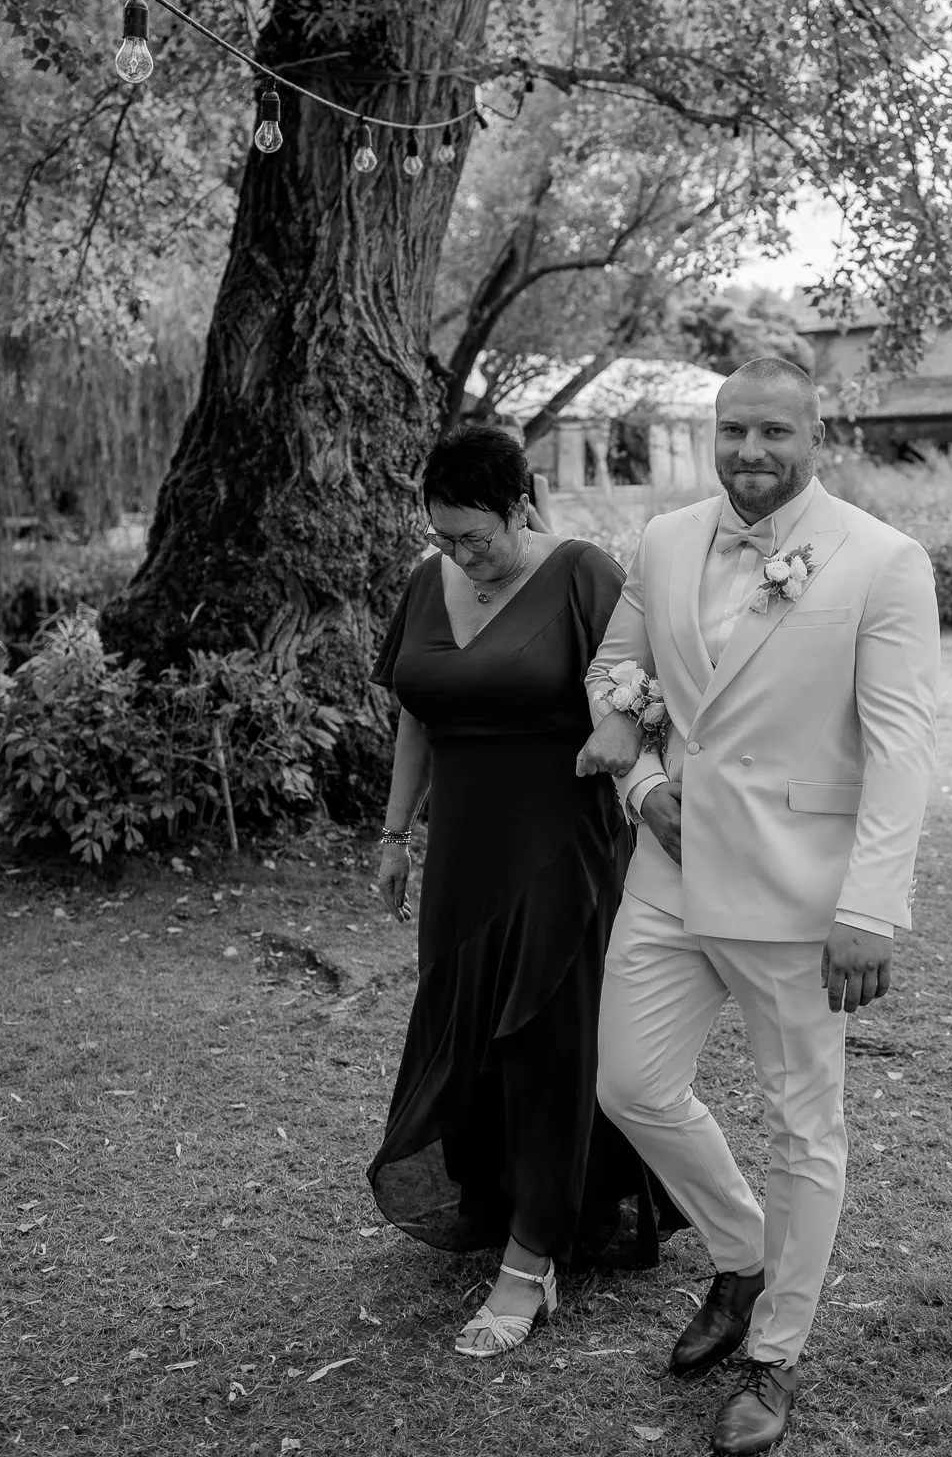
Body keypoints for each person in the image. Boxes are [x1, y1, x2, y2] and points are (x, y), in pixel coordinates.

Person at [578, 358, 939, 1455]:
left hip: (798, 894)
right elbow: (614, 672)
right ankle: (740, 1253)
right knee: (630, 1084)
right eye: (734, 430)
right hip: (674, 875)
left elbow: (901, 746)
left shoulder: (881, 562)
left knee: (803, 1127)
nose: (749, 452)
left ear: (816, 436)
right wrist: (643, 786)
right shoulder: (666, 540)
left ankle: (776, 1356)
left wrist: (871, 906)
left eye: (774, 432)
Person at [366, 424, 675, 1360]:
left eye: (476, 536)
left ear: (521, 504)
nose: (461, 555)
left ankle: (529, 1264)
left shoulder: (584, 573)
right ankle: (507, 1201)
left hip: (559, 845)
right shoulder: (428, 584)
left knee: (546, 1042)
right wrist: (393, 835)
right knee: (470, 1036)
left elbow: (639, 693)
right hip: (462, 853)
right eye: (444, 536)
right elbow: (417, 716)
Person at [487, 411, 554, 531]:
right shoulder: (477, 480)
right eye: (499, 440)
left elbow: (551, 539)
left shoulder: (537, 483)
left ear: (522, 441)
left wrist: (529, 511)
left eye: (512, 439)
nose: (506, 445)